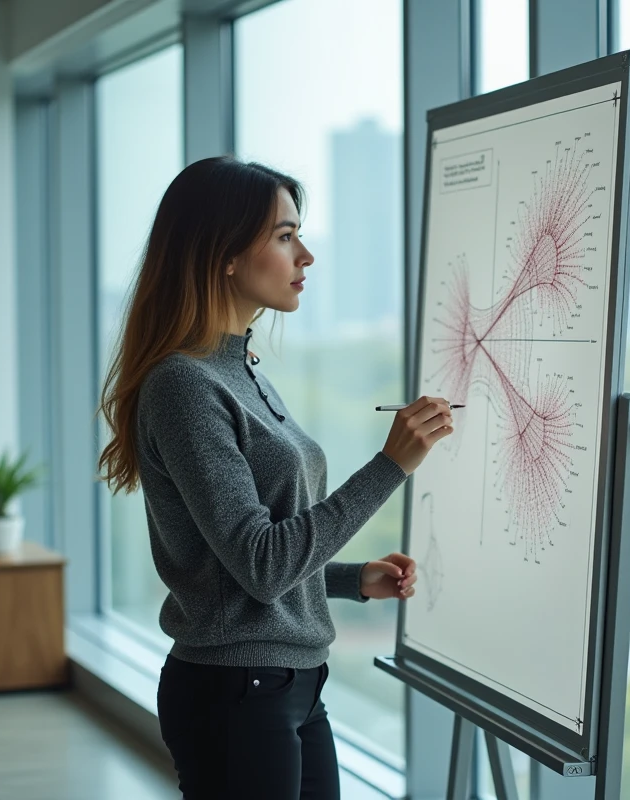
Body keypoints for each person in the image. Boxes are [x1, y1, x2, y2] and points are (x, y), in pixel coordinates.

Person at [96, 155, 455, 799]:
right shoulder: (185, 385)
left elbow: (239, 564)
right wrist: (391, 466)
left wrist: (348, 579)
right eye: (286, 237)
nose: (306, 256)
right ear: (225, 254)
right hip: (237, 692)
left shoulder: (238, 368)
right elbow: (261, 564)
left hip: (290, 684)